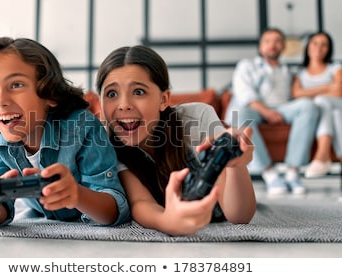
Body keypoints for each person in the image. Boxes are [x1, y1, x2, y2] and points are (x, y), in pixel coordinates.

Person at [0, 37, 130, 227]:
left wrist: (76, 194)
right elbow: (0, 211)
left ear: (50, 94)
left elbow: (113, 210)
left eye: (16, 85)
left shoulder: (83, 127)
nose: (0, 101)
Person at [96, 45, 256, 236]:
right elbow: (140, 202)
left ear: (164, 99)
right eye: (112, 94)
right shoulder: (106, 146)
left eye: (138, 92)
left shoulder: (196, 118)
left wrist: (235, 165)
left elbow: (239, 216)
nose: (124, 105)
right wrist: (167, 222)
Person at [224, 28, 320, 195]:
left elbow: (296, 95)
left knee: (308, 106)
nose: (272, 45)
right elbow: (245, 94)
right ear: (261, 47)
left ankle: (293, 172)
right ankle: (269, 173)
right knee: (238, 111)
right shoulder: (247, 66)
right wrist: (267, 112)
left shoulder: (289, 71)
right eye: (267, 41)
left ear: (283, 47)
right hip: (254, 108)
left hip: (283, 108)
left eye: (277, 41)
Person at [292, 31, 342, 195]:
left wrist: (312, 92)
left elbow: (340, 91)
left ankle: (323, 154)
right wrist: (328, 87)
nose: (319, 47)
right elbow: (296, 94)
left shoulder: (336, 68)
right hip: (334, 113)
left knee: (322, 101)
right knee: (335, 116)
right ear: (308, 47)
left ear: (329, 49)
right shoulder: (300, 73)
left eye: (324, 44)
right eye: (315, 43)